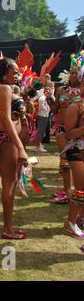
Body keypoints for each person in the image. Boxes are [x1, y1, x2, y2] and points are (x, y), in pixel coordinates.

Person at [0, 58, 29, 240]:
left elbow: (0, 116)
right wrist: (20, 147)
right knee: (10, 182)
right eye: (15, 72)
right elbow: (7, 120)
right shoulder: (5, 89)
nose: (17, 76)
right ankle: (9, 230)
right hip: (6, 139)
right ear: (4, 73)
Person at [52, 67, 83, 204]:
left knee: (76, 163)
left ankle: (75, 192)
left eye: (76, 73)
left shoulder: (82, 92)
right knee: (64, 163)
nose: (73, 75)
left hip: (78, 132)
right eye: (71, 73)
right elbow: (55, 109)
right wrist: (49, 99)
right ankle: (66, 191)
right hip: (62, 130)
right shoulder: (61, 90)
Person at [63, 99, 84, 240]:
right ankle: (70, 223)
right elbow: (69, 134)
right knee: (81, 188)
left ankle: (81, 219)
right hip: (77, 151)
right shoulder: (75, 107)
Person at [35, 86, 54, 152]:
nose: (49, 91)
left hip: (44, 115)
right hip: (43, 116)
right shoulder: (42, 98)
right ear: (45, 91)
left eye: (50, 90)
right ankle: (38, 146)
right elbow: (42, 107)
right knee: (41, 131)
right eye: (48, 90)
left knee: (42, 131)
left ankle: (39, 144)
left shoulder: (46, 98)